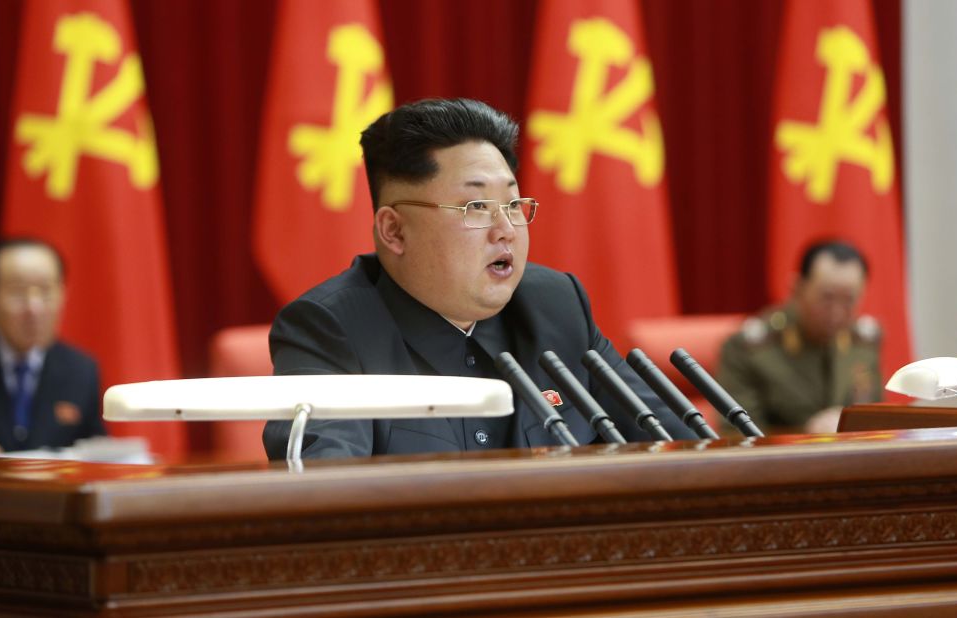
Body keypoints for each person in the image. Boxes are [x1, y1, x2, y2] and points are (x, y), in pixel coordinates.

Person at [263, 98, 695, 460]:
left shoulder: (556, 305)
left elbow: (678, 453)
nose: (505, 229)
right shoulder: (330, 330)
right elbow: (327, 497)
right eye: (475, 207)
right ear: (394, 231)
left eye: (512, 204)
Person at [0, 238, 105, 455]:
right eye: (18, 291)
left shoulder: (81, 370)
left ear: (63, 295)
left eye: (45, 291)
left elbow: (96, 449)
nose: (34, 308)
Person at [716, 240, 882, 434]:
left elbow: (875, 419)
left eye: (848, 300)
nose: (836, 312)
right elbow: (736, 435)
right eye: (826, 298)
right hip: (781, 461)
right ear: (797, 288)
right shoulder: (750, 348)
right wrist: (806, 433)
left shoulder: (864, 340)